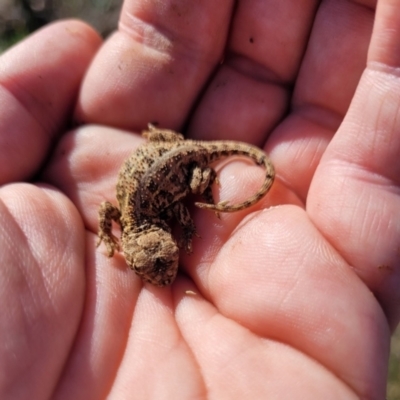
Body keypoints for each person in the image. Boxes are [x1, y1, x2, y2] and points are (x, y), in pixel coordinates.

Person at [0, 0, 398, 398]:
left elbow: (124, 210)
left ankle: (202, 174)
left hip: (182, 159)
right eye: (161, 267)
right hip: (163, 153)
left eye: (164, 264)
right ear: (134, 249)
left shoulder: (145, 215)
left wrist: (196, 201)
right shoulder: (134, 219)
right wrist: (107, 237)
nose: (166, 273)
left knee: (195, 185)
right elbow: (108, 212)